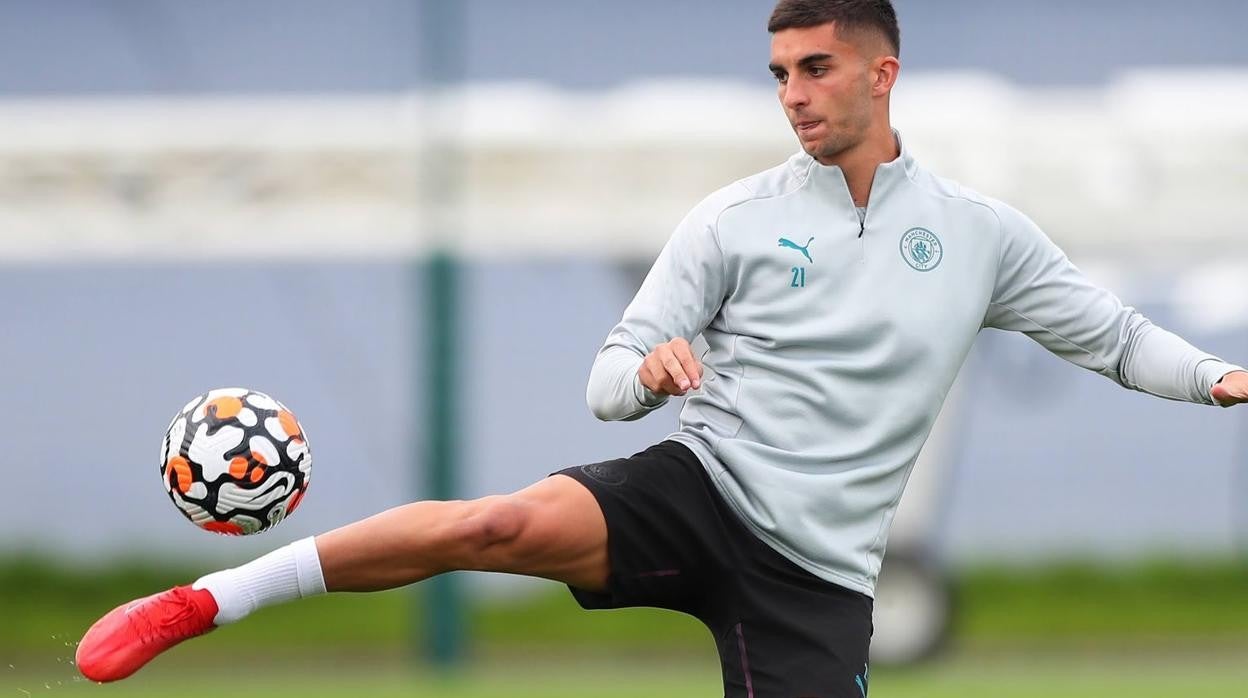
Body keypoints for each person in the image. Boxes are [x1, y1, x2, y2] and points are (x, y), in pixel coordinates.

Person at [76, 1, 1248, 695]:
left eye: (816, 67)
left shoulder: (981, 235)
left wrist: (1218, 379)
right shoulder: (730, 218)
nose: (792, 93)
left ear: (883, 71)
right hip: (698, 488)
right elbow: (605, 381)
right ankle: (203, 597)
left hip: (824, 573)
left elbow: (1116, 335)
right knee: (493, 523)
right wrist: (650, 372)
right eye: (779, 72)